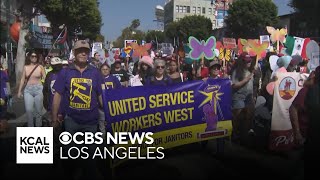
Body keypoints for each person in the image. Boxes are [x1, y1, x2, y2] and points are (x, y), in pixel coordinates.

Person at [51, 40, 103, 179]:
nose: (83, 53)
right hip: (71, 121)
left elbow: (100, 95)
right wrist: (54, 118)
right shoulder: (65, 72)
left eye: (85, 51)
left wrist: (112, 113)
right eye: (80, 50)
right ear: (74, 53)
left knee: (90, 158)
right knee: (72, 157)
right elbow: (57, 95)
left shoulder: (95, 72)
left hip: (91, 122)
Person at [230, 52, 254, 144]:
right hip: (238, 96)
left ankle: (244, 134)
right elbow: (234, 85)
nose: (248, 63)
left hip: (248, 97)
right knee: (237, 117)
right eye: (246, 61)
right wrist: (246, 79)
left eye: (249, 61)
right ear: (242, 62)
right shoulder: (236, 72)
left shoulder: (249, 71)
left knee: (248, 116)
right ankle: (235, 135)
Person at [17, 50, 46, 127]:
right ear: (29, 57)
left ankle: (38, 128)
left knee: (38, 112)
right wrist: (19, 91)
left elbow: (45, 78)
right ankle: (31, 128)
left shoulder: (40, 67)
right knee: (29, 111)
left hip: (39, 89)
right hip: (28, 90)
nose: (34, 58)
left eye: (35, 56)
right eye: (32, 56)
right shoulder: (25, 67)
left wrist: (47, 90)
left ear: (37, 57)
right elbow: (22, 80)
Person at [99, 63, 121, 138]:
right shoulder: (98, 79)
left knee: (113, 125)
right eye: (103, 69)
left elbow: (119, 91)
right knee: (102, 127)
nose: (105, 71)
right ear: (100, 70)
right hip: (101, 108)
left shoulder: (114, 79)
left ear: (109, 70)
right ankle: (103, 142)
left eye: (106, 69)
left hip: (112, 107)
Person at [42, 57, 64, 126]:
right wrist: (46, 103)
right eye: (55, 65)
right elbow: (45, 90)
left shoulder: (65, 74)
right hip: (51, 105)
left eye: (58, 65)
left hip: (63, 107)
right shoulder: (49, 75)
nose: (57, 67)